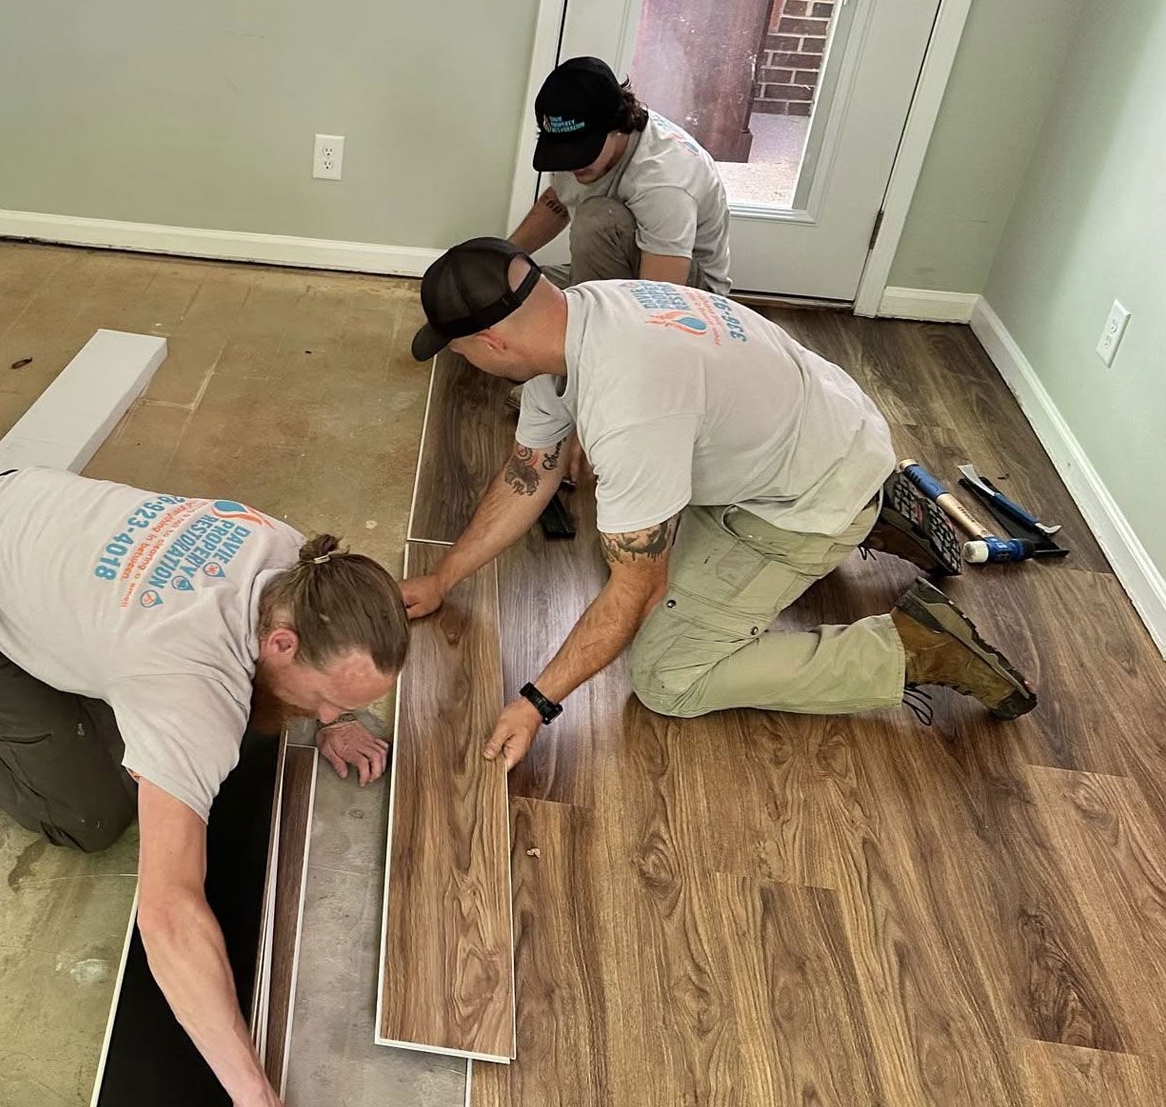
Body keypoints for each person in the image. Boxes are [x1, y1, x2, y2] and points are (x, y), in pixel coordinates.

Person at [0, 467, 408, 1107]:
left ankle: (23, 673)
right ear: (284, 642)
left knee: (130, 732)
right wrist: (255, 1101)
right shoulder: (191, 687)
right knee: (93, 813)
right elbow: (168, 912)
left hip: (16, 508)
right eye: (325, 697)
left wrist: (337, 712)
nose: (326, 713)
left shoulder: (296, 563)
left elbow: (284, 673)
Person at [402, 237, 1036, 765]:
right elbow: (528, 471)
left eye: (459, 350)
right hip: (814, 427)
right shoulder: (579, 315)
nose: (464, 361)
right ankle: (877, 509)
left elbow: (636, 592)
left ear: (492, 344)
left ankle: (915, 645)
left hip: (805, 498)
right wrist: (442, 578)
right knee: (630, 541)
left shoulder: (629, 407)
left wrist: (534, 703)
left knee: (667, 675)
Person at [509, 56, 733, 294]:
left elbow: (662, 301)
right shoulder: (588, 138)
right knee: (510, 290)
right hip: (629, 268)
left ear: (616, 126)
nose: (572, 163)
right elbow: (560, 200)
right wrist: (502, 255)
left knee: (596, 219)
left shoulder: (664, 182)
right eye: (563, 153)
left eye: (581, 152)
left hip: (688, 293)